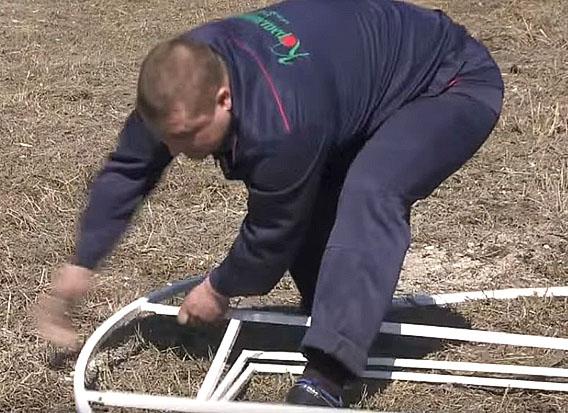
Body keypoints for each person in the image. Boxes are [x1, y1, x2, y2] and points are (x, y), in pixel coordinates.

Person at [37, 0, 504, 407]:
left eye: (187, 136)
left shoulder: (282, 124)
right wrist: (85, 260)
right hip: (351, 82)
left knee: (369, 189)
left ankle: (327, 377)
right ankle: (331, 306)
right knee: (317, 183)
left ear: (224, 100)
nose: (178, 150)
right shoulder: (176, 81)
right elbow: (129, 167)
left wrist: (219, 287)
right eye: (168, 138)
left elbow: (275, 229)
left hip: (448, 81)